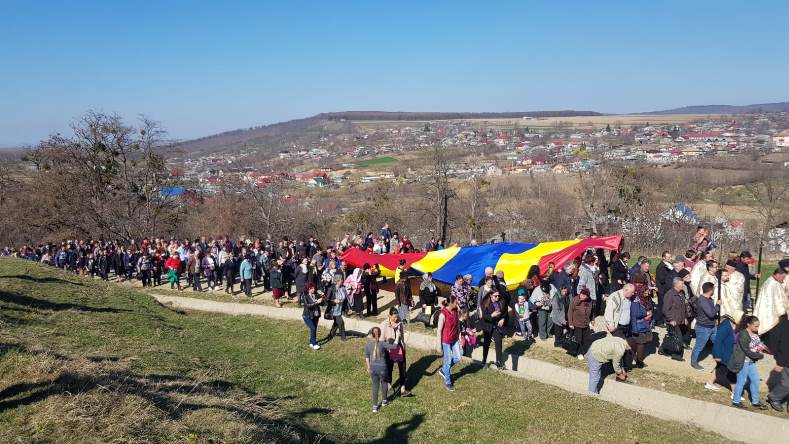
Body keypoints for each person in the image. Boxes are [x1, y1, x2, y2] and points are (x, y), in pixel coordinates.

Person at [729, 315, 769, 410]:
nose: (757, 328)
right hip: (743, 362)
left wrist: (765, 349)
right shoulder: (743, 334)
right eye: (755, 326)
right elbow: (746, 350)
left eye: (758, 326)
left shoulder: (755, 333)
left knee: (755, 380)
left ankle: (755, 401)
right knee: (741, 382)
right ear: (748, 325)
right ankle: (736, 401)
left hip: (751, 362)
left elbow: (758, 344)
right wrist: (759, 355)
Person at [366, 326, 400, 412]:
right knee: (384, 383)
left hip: (373, 368)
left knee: (375, 386)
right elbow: (394, 346)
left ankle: (374, 407)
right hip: (382, 368)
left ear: (371, 334)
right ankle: (384, 401)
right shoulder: (382, 344)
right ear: (380, 334)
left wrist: (368, 367)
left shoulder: (368, 344)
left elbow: (367, 357)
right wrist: (398, 336)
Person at [705, 311, 741, 392]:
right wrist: (717, 355)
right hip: (724, 353)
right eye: (742, 318)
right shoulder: (725, 326)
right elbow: (718, 341)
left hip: (730, 352)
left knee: (719, 368)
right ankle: (735, 393)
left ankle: (710, 383)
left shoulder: (736, 325)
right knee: (730, 371)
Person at [381, 307, 410, 397]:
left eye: (397, 317)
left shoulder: (399, 322)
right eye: (394, 317)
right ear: (389, 316)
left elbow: (401, 334)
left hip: (399, 347)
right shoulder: (384, 324)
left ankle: (402, 389)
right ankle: (389, 385)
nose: (396, 319)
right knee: (389, 368)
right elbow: (381, 340)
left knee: (402, 367)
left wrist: (403, 344)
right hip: (389, 348)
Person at [691, 282, 720, 370]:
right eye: (713, 289)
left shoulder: (709, 299)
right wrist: (718, 305)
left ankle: (721, 360)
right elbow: (711, 313)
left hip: (712, 326)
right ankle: (694, 362)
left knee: (718, 343)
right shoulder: (703, 301)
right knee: (699, 346)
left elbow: (711, 313)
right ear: (710, 290)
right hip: (703, 328)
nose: (714, 291)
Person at [605, 284, 635, 369]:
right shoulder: (615, 297)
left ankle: (624, 365)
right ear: (625, 290)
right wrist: (611, 324)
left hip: (626, 326)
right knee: (622, 346)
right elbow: (609, 311)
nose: (633, 294)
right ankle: (620, 367)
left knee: (622, 345)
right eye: (632, 292)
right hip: (617, 326)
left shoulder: (629, 297)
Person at [766, 305, 789, 411]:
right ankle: (774, 397)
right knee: (786, 384)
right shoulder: (784, 326)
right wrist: (780, 363)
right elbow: (784, 346)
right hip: (786, 361)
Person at [436, 295, 461, 391]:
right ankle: (448, 382)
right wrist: (439, 345)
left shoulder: (455, 311)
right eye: (456, 302)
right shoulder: (443, 314)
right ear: (451, 303)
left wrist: (459, 337)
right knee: (448, 360)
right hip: (445, 341)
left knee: (458, 358)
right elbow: (439, 330)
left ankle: (444, 370)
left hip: (454, 339)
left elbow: (457, 324)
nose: (457, 303)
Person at [661, 277, 688, 361]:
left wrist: (685, 318)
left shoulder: (681, 293)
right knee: (678, 337)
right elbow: (665, 309)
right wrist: (671, 319)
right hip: (673, 320)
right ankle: (677, 355)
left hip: (680, 320)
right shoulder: (669, 294)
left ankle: (662, 349)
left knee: (672, 336)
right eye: (681, 284)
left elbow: (683, 307)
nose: (683, 285)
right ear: (676, 284)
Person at [480, 290, 508, 369]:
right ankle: (484, 359)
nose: (497, 297)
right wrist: (492, 315)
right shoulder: (485, 303)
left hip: (496, 326)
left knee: (498, 342)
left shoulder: (501, 302)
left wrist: (502, 318)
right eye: (495, 296)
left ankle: (499, 362)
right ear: (490, 296)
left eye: (498, 296)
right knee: (486, 344)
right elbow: (483, 317)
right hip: (488, 326)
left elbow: (505, 311)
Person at [568, 288, 594, 360]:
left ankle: (582, 350)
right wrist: (570, 323)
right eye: (581, 294)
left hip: (585, 324)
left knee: (586, 339)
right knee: (578, 339)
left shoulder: (589, 301)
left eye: (584, 295)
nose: (582, 296)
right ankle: (579, 352)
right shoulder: (575, 299)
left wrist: (592, 319)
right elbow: (570, 311)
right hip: (576, 323)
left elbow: (592, 311)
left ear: (588, 296)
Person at [301, 283, 324, 350]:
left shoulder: (315, 295)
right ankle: (314, 344)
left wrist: (322, 297)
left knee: (314, 329)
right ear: (308, 289)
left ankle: (311, 342)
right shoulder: (305, 296)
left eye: (314, 288)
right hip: (307, 316)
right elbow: (307, 306)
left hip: (315, 315)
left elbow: (322, 303)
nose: (313, 289)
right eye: (312, 288)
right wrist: (316, 302)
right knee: (313, 328)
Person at [325, 275, 347, 342]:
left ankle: (331, 335)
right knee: (341, 322)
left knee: (336, 323)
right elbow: (326, 299)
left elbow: (345, 297)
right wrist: (334, 301)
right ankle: (343, 338)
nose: (342, 281)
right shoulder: (331, 289)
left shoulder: (342, 288)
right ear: (337, 281)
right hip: (333, 310)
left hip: (340, 309)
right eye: (341, 280)